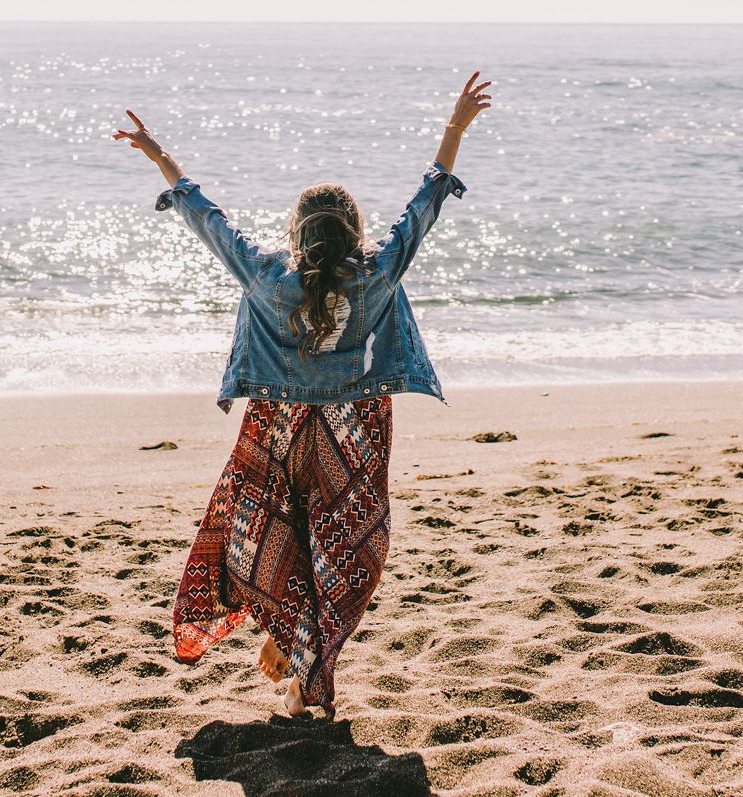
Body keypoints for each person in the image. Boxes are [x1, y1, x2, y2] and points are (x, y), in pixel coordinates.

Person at [112, 71, 493, 718]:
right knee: (345, 547)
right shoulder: (378, 270)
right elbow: (424, 207)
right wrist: (455, 128)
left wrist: (160, 157)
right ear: (353, 230)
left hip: (277, 424)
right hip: (356, 426)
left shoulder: (266, 275)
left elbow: (208, 221)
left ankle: (288, 638)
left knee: (271, 530)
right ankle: (301, 656)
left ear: (298, 232)